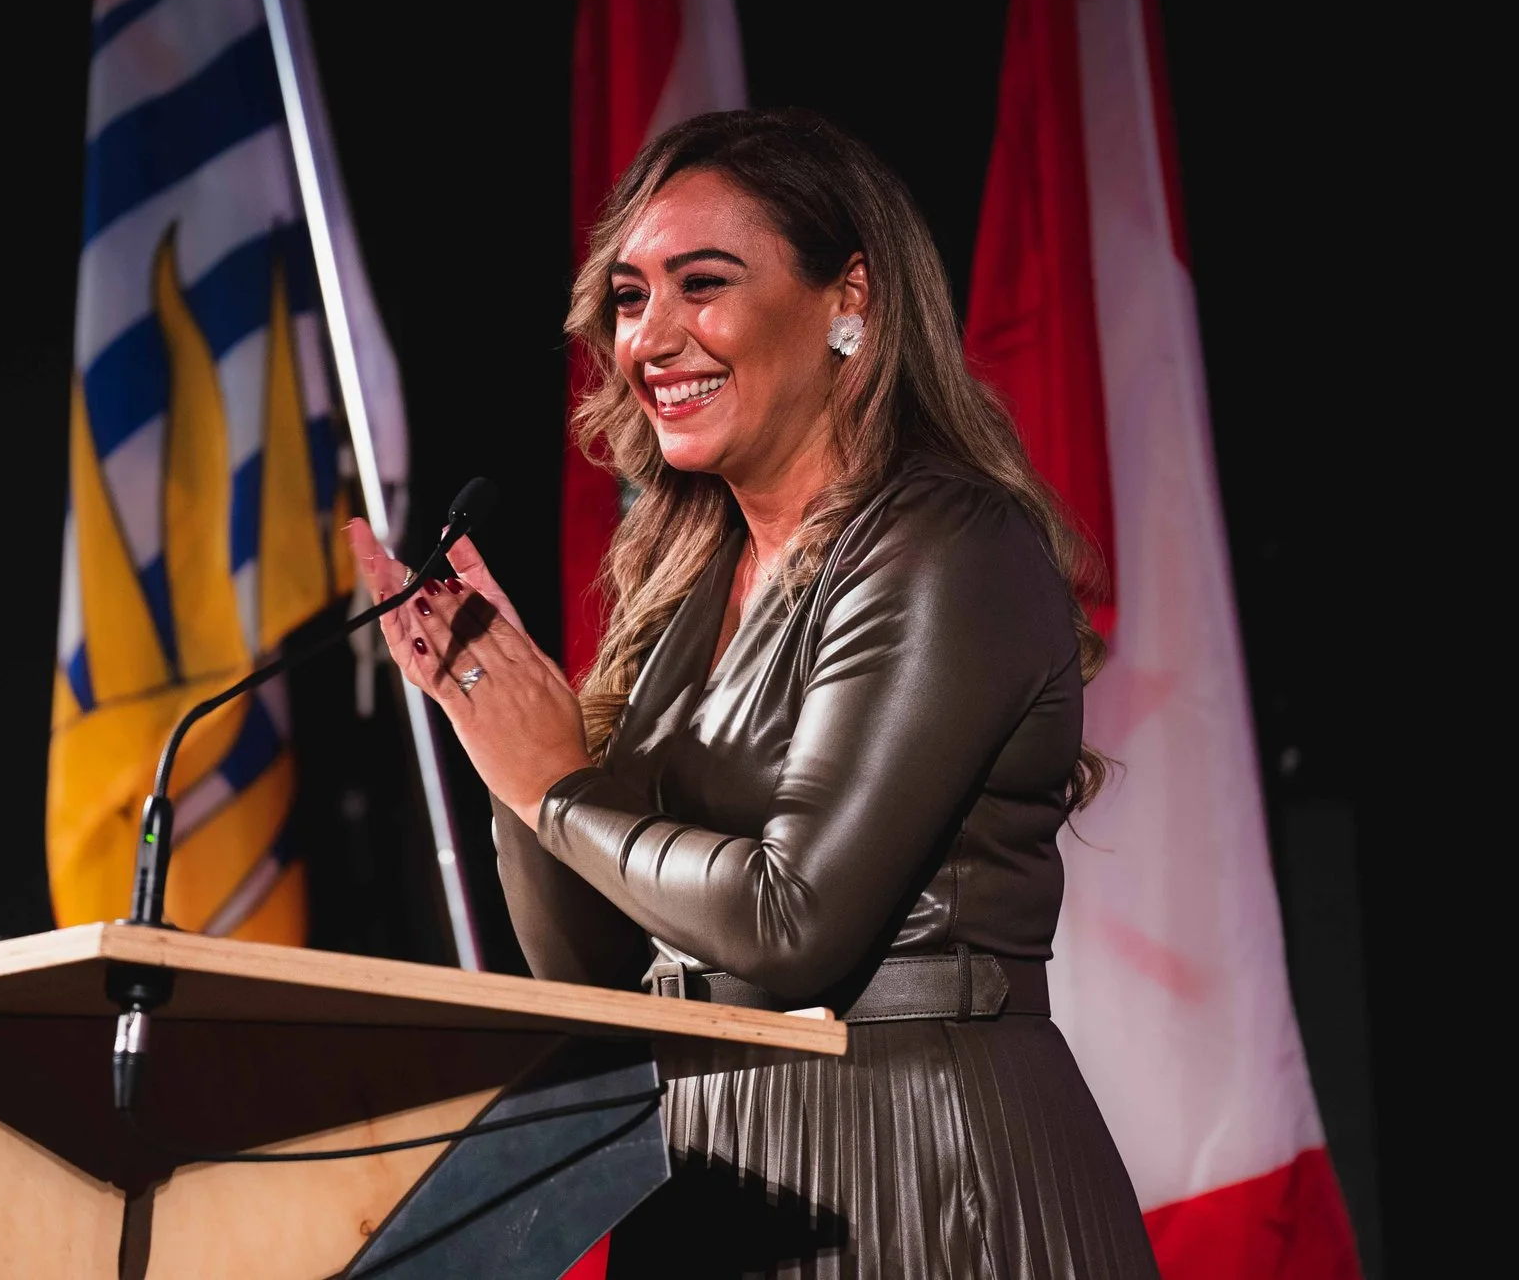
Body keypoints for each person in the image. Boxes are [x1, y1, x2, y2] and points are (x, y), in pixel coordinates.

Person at [347, 109, 1157, 1279]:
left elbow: (792, 920)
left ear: (849, 299)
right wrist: (504, 749)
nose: (650, 339)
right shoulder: (683, 601)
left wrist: (558, 789)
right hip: (712, 1185)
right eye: (629, 299)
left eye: (702, 285)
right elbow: (589, 974)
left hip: (915, 1173)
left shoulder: (945, 546)